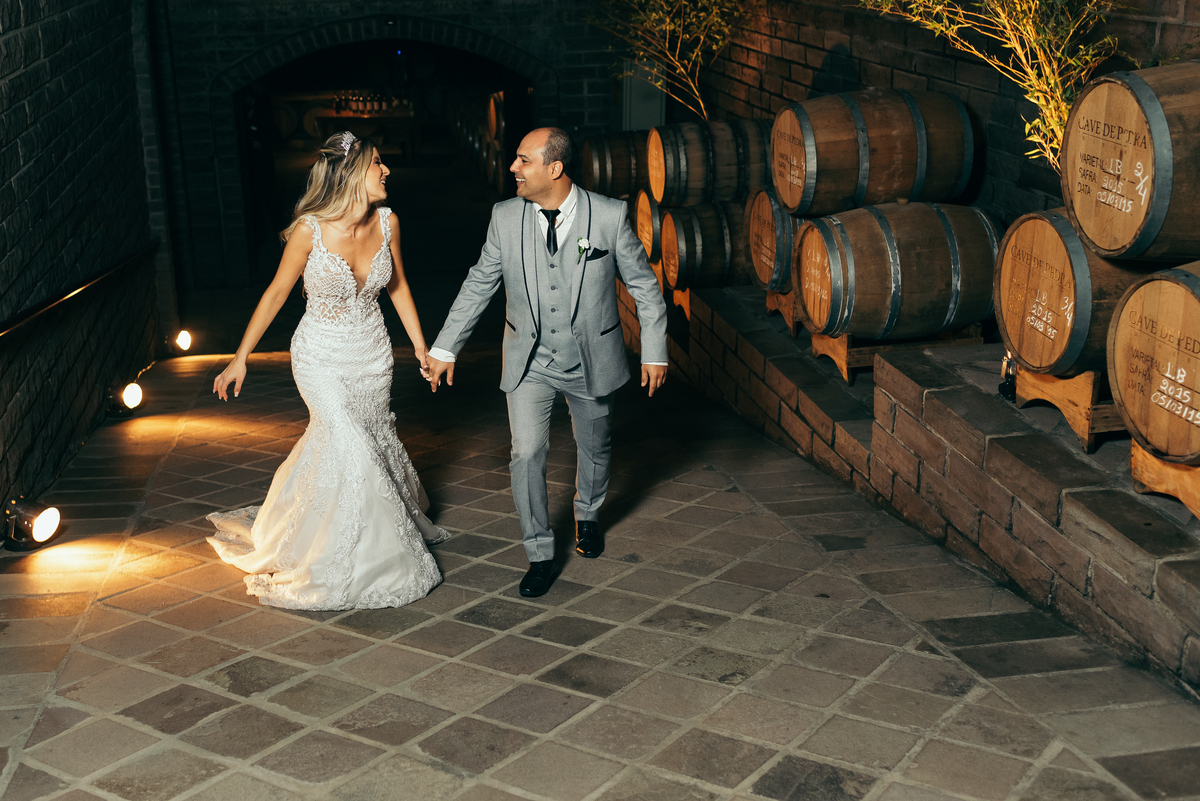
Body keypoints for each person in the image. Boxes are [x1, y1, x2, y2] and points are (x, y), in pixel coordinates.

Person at [206, 131, 448, 610]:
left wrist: (422, 346)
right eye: (378, 163)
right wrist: (240, 357)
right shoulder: (309, 230)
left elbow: (397, 286)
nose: (386, 171)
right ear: (353, 172)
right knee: (345, 439)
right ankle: (362, 560)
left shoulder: (389, 221)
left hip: (372, 354)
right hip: (320, 356)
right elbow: (276, 293)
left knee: (367, 439)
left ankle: (328, 525)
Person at [426, 127, 667, 598]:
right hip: (528, 360)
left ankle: (588, 513)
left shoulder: (610, 216)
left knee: (595, 448)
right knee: (526, 452)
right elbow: (480, 284)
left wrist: (655, 350)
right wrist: (444, 347)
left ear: (554, 169)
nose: (513, 168)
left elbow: (645, 288)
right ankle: (538, 551)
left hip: (590, 358)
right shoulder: (504, 217)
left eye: (523, 160)